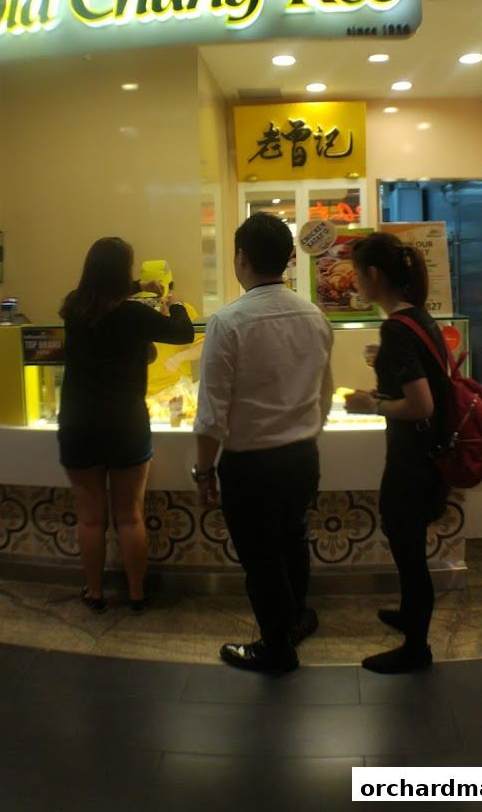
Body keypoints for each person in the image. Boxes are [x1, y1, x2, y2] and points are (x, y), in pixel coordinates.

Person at [192, 213, 334, 674]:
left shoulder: (228, 321)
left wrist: (203, 471)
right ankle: (294, 621)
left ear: (241, 258)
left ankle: (276, 648)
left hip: (251, 463)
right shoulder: (314, 315)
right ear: (289, 259)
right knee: (293, 540)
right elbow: (325, 391)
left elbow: (213, 411)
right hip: (302, 457)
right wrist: (310, 433)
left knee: (262, 558)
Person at [58, 237, 194, 612]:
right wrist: (175, 302)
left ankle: (96, 592)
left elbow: (102, 294)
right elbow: (183, 333)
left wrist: (137, 288)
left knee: (90, 518)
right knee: (129, 515)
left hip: (77, 422)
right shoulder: (133, 315)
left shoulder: (73, 306)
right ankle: (136, 593)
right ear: (125, 272)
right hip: (124, 423)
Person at [343, 231, 449, 674]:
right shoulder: (419, 318)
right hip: (429, 457)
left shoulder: (395, 327)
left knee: (409, 554)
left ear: (373, 275)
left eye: (357, 275)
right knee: (409, 547)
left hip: (413, 463)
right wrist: (384, 392)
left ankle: (416, 648)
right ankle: (409, 615)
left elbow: (421, 404)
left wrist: (373, 404)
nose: (354, 284)